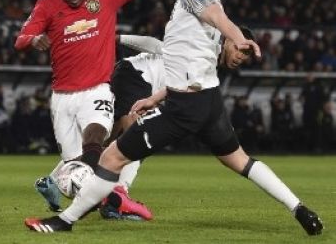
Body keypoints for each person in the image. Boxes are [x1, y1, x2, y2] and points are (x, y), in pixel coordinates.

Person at [25, 0, 323, 236]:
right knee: (241, 160)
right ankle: (299, 209)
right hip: (209, 104)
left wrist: (237, 36)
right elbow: (189, 67)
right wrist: (155, 98)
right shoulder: (208, 3)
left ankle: (66, 219)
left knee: (111, 158)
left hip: (184, 110)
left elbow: (216, 16)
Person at [15, 0, 161, 212]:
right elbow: (20, 39)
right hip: (61, 98)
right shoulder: (47, 5)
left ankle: (114, 201)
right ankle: (82, 193)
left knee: (95, 137)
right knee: (78, 169)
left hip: (96, 90)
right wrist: (34, 39)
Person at [98, 29, 256, 219]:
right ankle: (117, 198)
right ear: (229, 41)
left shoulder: (209, 67)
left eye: (247, 54)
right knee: (135, 141)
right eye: (241, 49)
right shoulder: (202, 47)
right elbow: (157, 45)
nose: (241, 57)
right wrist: (119, 38)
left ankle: (62, 183)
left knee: (107, 142)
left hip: (133, 77)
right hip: (138, 76)